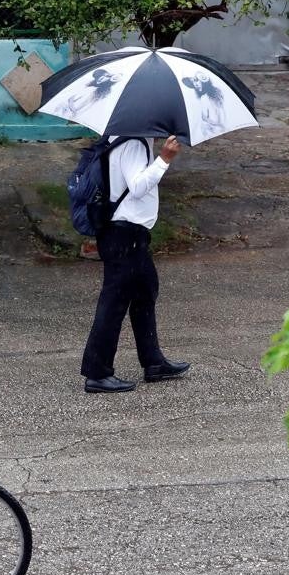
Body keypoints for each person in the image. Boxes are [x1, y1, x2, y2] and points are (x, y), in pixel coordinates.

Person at [80, 134, 191, 393]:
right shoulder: (133, 143)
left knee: (145, 291)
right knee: (113, 303)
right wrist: (164, 159)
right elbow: (139, 186)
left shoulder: (130, 139)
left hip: (129, 235)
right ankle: (97, 372)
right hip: (124, 235)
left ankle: (153, 362)